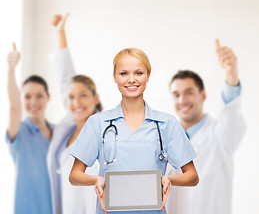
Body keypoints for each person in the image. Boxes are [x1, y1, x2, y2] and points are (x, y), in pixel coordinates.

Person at [69, 47, 199, 214]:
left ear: (148, 75)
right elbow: (74, 175)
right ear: (115, 77)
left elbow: (192, 176)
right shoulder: (97, 123)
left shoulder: (167, 124)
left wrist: (169, 179)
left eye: (138, 73)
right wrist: (97, 180)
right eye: (124, 74)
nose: (131, 79)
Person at [166, 39, 247, 214]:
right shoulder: (165, 140)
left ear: (202, 95)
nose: (182, 100)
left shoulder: (221, 134)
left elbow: (230, 113)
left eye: (189, 92)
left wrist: (231, 74)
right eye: (176, 94)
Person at [47, 14, 101, 214]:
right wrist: (59, 32)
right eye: (71, 97)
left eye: (83, 96)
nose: (76, 103)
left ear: (95, 98)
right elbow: (65, 79)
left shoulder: (105, 131)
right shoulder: (67, 130)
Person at [6, 43, 53, 214]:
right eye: (27, 97)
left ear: (48, 97)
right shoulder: (21, 132)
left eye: (39, 96)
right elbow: (14, 107)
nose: (33, 102)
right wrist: (11, 70)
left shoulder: (58, 132)